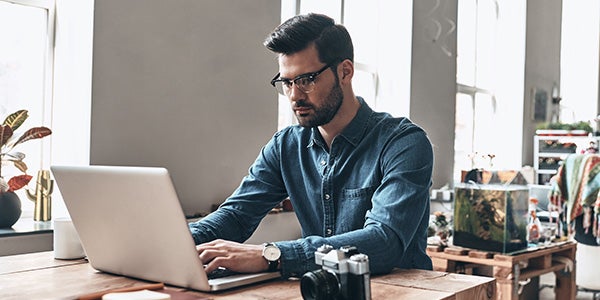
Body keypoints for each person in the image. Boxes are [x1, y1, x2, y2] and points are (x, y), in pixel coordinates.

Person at [188, 13, 434, 279]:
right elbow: (236, 215)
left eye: (307, 80)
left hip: (402, 292)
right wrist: (177, 242)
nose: (295, 96)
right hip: (319, 288)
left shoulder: (403, 143)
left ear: (345, 72)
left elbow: (384, 241)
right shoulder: (285, 147)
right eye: (286, 82)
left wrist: (270, 255)